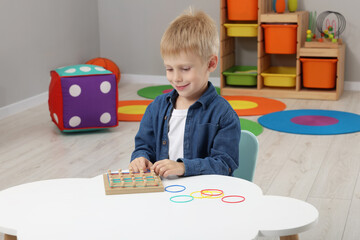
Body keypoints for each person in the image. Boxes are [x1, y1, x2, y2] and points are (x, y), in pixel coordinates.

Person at [129, 8, 240, 178]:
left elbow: (224, 164)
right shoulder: (156, 108)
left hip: (205, 196)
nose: (176, 78)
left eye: (185, 69)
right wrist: (140, 158)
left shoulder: (223, 115)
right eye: (169, 69)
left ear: (211, 63)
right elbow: (144, 146)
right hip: (166, 194)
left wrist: (183, 167)